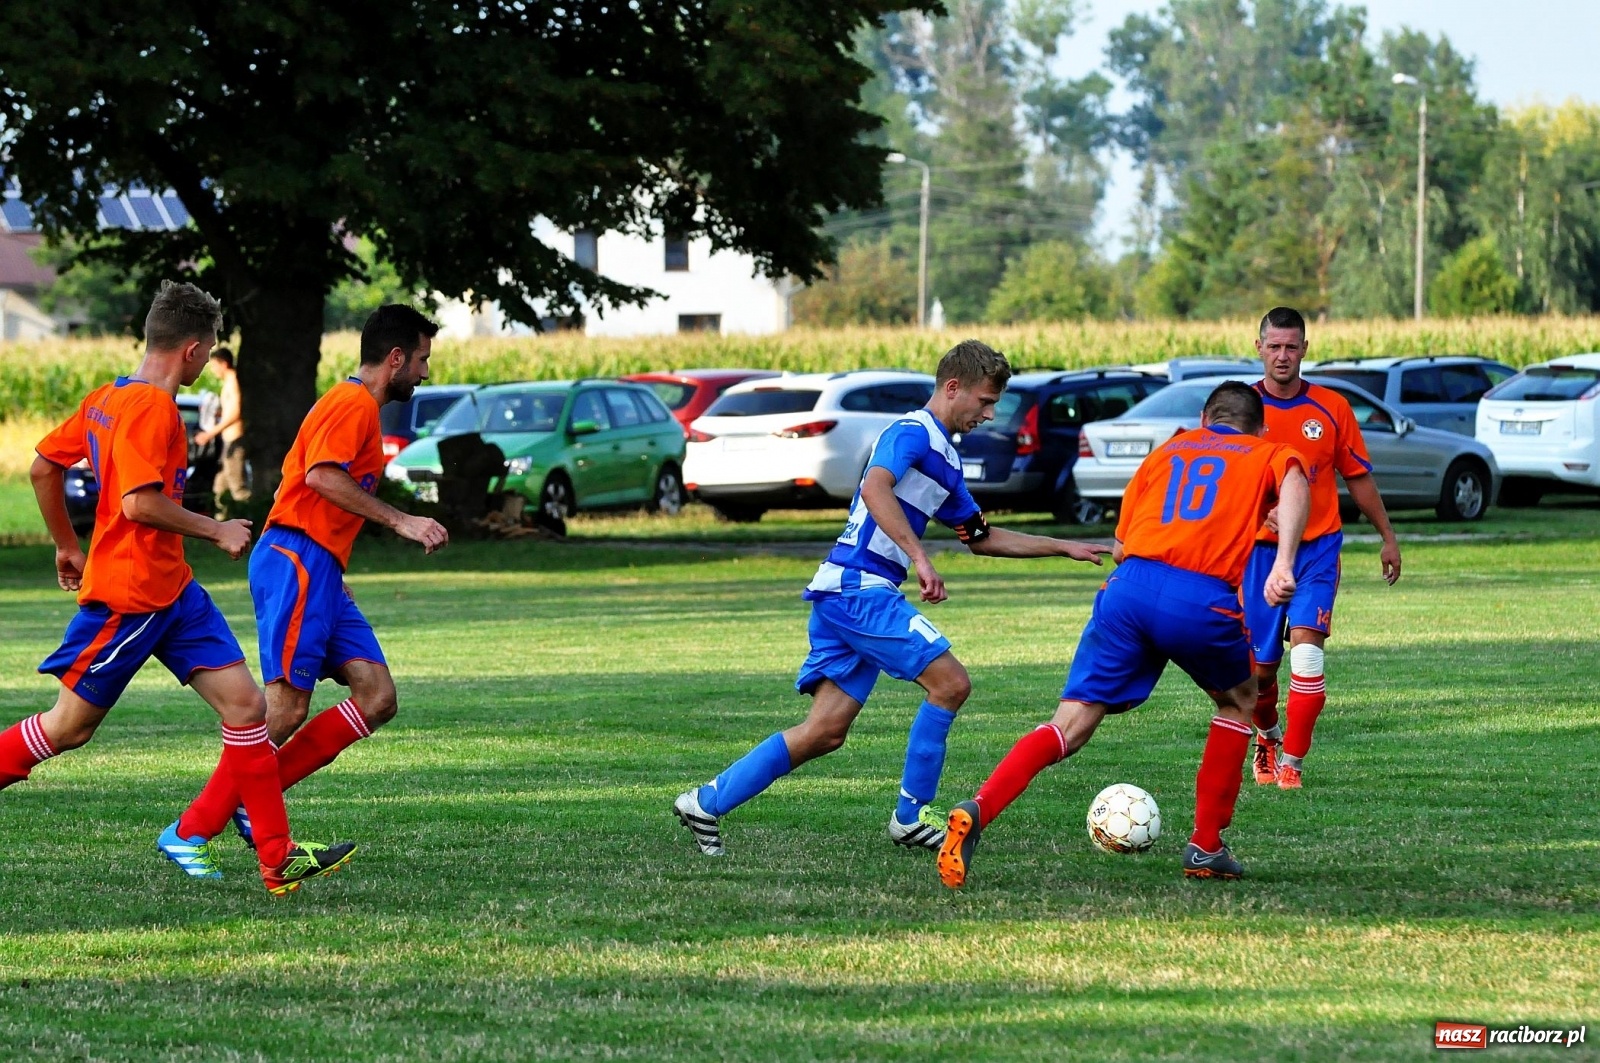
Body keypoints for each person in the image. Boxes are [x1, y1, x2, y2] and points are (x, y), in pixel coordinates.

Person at [673, 341, 1112, 857]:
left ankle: (704, 802)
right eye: (985, 401)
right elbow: (877, 487)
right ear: (953, 388)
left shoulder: (944, 458)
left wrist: (1066, 546)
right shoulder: (910, 433)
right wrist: (920, 558)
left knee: (825, 731)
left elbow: (981, 537)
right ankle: (910, 816)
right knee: (951, 684)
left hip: (845, 591)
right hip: (859, 588)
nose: (990, 414)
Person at [1, 280, 355, 895]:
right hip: (131, 595)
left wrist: (65, 543)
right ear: (193, 350)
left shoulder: (106, 398)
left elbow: (42, 466)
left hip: (175, 592)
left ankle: (278, 860)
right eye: (211, 346)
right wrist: (214, 528)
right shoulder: (153, 409)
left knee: (247, 709)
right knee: (68, 729)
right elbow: (140, 505)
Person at [938, 382, 1310, 887]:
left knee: (1068, 724)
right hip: (1198, 596)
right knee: (1240, 700)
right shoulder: (1268, 451)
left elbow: (1119, 547)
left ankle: (978, 809)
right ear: (1259, 427)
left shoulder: (1166, 452)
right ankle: (1205, 845)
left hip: (1127, 588)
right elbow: (1296, 480)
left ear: (1205, 418)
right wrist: (1283, 561)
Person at [168, 304, 449, 851]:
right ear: (395, 359)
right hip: (297, 559)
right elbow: (320, 476)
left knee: (376, 697)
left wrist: (334, 569)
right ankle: (191, 829)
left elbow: (309, 485)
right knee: (285, 705)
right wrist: (402, 520)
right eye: (421, 360)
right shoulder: (352, 404)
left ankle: (253, 801)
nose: (425, 373)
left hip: (319, 567)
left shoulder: (358, 408)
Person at [1244, 307, 1402, 790]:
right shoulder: (1242, 408)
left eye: (1292, 347)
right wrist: (1257, 514)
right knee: (1259, 673)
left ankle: (1292, 761)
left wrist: (1388, 537)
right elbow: (1226, 476)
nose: (1283, 356)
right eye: (1274, 346)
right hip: (1260, 554)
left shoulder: (1332, 408)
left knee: (1309, 657)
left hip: (1317, 550)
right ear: (1259, 348)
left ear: (1305, 350)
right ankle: (1267, 738)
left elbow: (1358, 478)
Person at [196, 346, 249, 509]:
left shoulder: (233, 382)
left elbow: (235, 413)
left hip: (235, 441)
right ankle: (221, 526)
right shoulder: (229, 382)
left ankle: (253, 521)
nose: (213, 370)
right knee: (220, 487)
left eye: (214, 365)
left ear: (224, 364)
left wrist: (210, 434)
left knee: (238, 489)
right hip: (228, 442)